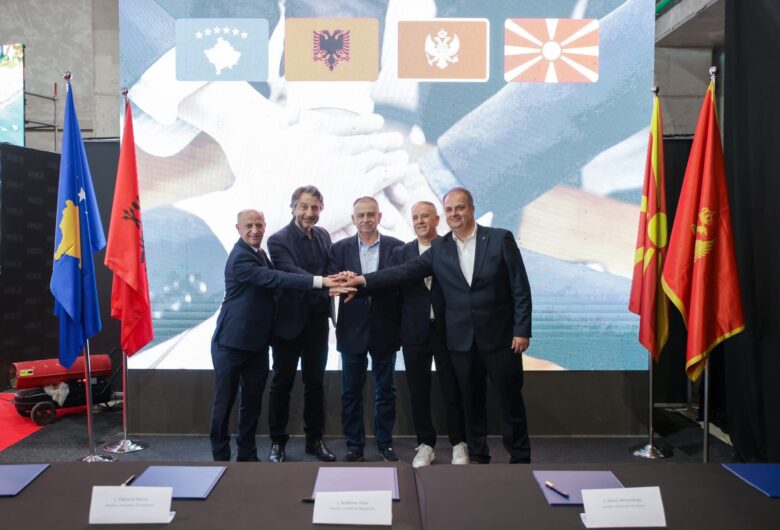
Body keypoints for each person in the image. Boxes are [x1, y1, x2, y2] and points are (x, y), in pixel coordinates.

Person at [341, 188, 532, 463]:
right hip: (461, 339)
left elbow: (519, 286)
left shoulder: (500, 238)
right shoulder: (441, 248)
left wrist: (521, 329)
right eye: (450, 209)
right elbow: (402, 272)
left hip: (499, 336)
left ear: (471, 209)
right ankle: (479, 455)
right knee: (472, 400)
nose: (455, 214)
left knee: (509, 400)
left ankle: (521, 458)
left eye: (460, 208)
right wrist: (361, 282)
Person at [210, 209, 343, 462]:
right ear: (238, 229)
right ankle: (220, 459)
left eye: (259, 225)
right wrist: (321, 282)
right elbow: (275, 278)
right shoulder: (240, 257)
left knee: (251, 405)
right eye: (249, 226)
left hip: (258, 346)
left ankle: (248, 457)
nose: (255, 230)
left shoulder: (260, 254)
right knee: (224, 404)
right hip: (231, 344)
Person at [390, 201, 468, 467]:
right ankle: (425, 445)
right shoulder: (401, 253)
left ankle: (459, 443)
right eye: (415, 217)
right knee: (418, 391)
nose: (420, 221)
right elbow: (394, 293)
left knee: (452, 389)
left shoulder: (453, 248)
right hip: (413, 332)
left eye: (425, 216)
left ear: (437, 219)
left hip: (447, 331)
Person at [328, 197, 404, 462]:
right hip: (352, 329)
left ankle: (385, 443)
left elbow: (397, 282)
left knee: (386, 391)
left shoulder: (397, 247)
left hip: (386, 327)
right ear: (353, 219)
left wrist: (360, 283)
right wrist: (342, 282)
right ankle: (354, 445)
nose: (366, 219)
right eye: (360, 215)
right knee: (351, 392)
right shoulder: (339, 249)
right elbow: (333, 284)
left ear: (379, 217)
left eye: (371, 214)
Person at [266, 186, 336, 462]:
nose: (309, 213)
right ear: (293, 207)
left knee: (315, 384)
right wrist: (324, 282)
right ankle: (277, 442)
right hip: (288, 324)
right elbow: (290, 273)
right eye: (304, 206)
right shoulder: (277, 240)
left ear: (321, 209)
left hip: (317, 323)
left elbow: (330, 268)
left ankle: (314, 440)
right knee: (281, 384)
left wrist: (339, 278)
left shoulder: (324, 235)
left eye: (315, 207)